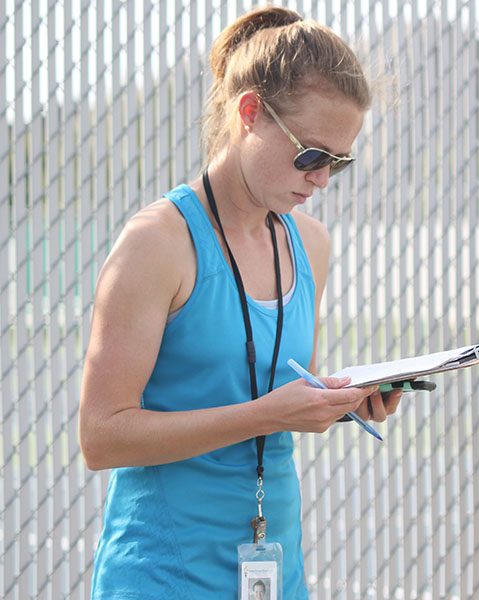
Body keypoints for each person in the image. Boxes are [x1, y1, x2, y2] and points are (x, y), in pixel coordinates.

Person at [78, 7, 401, 599]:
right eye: (311, 154)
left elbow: (264, 384)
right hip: (161, 576)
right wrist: (271, 414)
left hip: (273, 574)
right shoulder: (157, 242)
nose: (323, 179)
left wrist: (337, 400)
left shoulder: (310, 244)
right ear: (250, 113)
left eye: (340, 160)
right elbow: (102, 437)